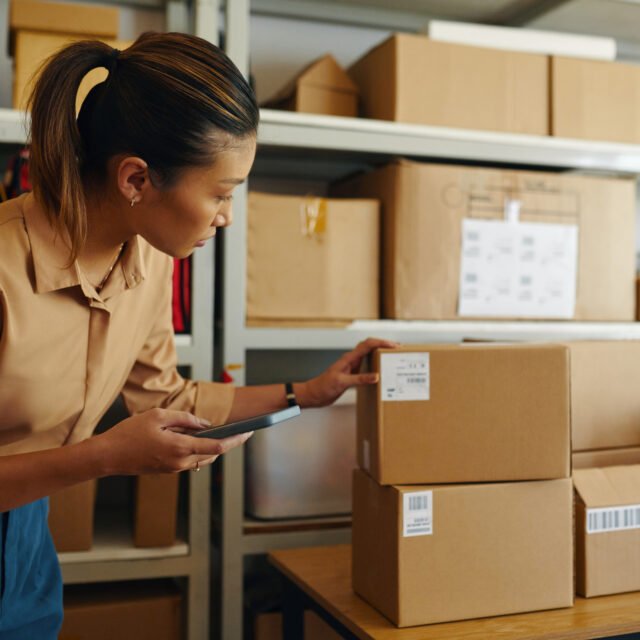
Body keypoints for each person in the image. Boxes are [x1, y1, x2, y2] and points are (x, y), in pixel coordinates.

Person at [0, 32, 396, 638]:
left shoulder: (151, 259)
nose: (228, 216)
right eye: (220, 193)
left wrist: (309, 393)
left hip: (25, 539)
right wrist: (106, 456)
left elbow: (165, 399)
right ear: (136, 179)